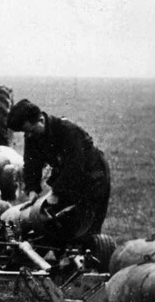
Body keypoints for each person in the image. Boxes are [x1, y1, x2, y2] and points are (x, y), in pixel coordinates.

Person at [8, 98, 111, 242]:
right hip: (68, 174)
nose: (28, 136)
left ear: (41, 120)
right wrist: (32, 190)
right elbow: (32, 165)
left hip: (93, 176)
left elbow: (74, 166)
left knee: (87, 227)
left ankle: (89, 256)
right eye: (25, 132)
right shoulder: (32, 135)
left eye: (30, 130)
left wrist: (57, 192)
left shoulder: (68, 130)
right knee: (60, 224)